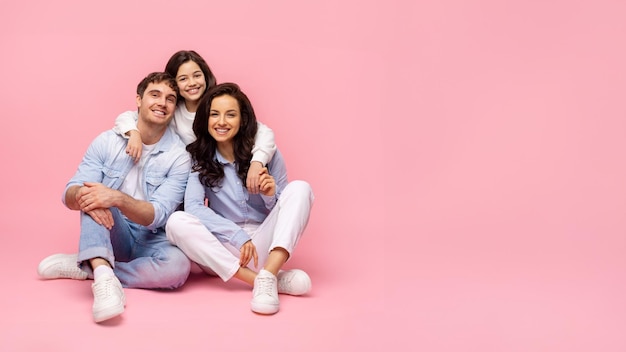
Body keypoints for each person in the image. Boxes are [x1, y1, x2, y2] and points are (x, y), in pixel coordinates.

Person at [37, 72, 192, 323]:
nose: (162, 103)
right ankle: (104, 282)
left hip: (153, 237)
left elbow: (158, 215)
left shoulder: (179, 156)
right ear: (139, 100)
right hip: (113, 228)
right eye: (155, 95)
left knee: (177, 269)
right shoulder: (107, 141)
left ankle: (93, 266)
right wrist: (89, 195)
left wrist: (117, 198)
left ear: (175, 107)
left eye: (170, 99)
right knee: (91, 195)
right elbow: (70, 193)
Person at [165, 82, 314, 315]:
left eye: (230, 115)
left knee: (301, 188)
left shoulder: (267, 155)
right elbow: (194, 207)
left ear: (243, 120)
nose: (221, 122)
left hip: (264, 244)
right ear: (205, 119)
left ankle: (267, 274)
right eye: (214, 114)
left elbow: (286, 212)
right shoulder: (198, 158)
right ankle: (262, 280)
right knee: (176, 221)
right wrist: (236, 236)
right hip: (223, 249)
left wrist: (269, 194)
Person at [114, 50, 276, 195]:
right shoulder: (171, 109)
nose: (192, 83)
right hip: (186, 176)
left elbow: (262, 131)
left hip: (220, 174)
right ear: (174, 84)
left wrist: (257, 162)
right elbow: (127, 117)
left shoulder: (218, 103)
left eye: (197, 75)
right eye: (183, 78)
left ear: (205, 76)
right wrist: (133, 132)